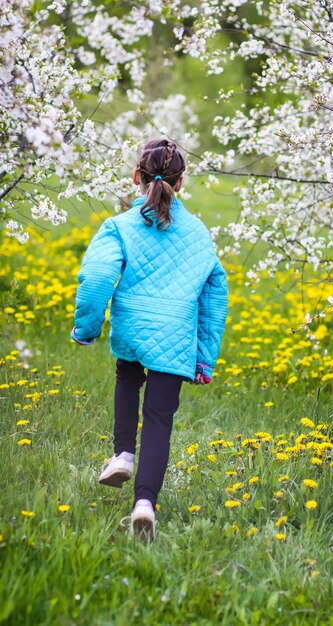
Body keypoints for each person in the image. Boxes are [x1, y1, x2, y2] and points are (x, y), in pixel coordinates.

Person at [70, 138, 228, 541]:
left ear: (137, 177)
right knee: (159, 419)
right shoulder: (198, 233)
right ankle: (144, 504)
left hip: (132, 329)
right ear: (182, 182)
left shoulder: (119, 225)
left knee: (127, 377)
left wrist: (86, 329)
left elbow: (98, 278)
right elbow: (214, 297)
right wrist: (203, 359)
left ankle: (122, 454)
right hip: (176, 339)